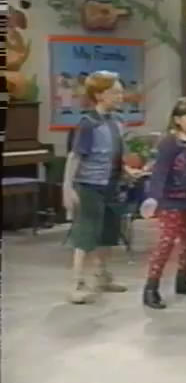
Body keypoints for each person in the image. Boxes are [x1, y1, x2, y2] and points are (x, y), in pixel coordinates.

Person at [63, 70, 143, 304]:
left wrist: (126, 172)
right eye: (115, 92)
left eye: (120, 92)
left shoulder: (117, 121)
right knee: (86, 234)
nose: (120, 96)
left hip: (111, 184)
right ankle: (77, 283)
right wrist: (67, 187)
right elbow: (75, 156)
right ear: (99, 95)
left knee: (108, 232)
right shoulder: (88, 124)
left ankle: (102, 276)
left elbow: (116, 154)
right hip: (90, 185)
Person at [139, 98, 186, 309]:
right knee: (166, 243)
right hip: (171, 202)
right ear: (177, 120)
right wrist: (154, 197)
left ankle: (182, 280)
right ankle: (151, 288)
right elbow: (160, 171)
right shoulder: (169, 142)